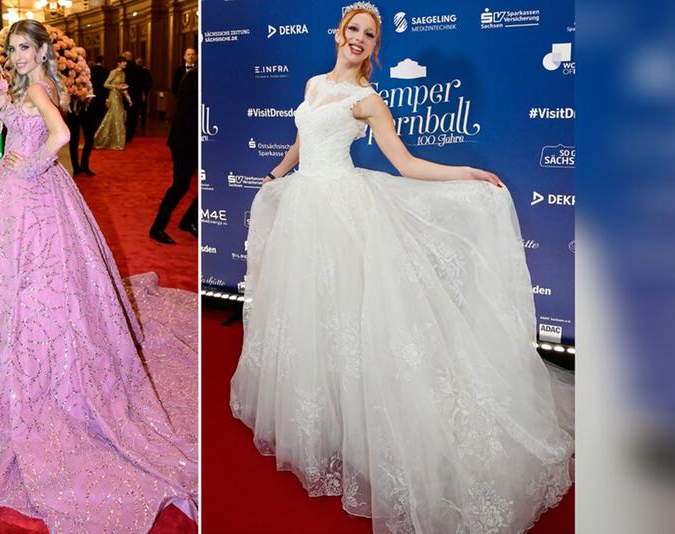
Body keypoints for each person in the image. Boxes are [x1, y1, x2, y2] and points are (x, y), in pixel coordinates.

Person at [229, 4, 574, 533]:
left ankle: (370, 434)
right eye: (354, 30)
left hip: (343, 213)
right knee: (313, 322)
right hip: (304, 209)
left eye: (369, 35)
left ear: (374, 45)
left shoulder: (368, 100)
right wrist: (276, 173)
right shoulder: (314, 82)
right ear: (339, 33)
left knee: (353, 325)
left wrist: (469, 174)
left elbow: (407, 164)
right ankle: (328, 424)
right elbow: (304, 141)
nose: (360, 40)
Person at [0, 20, 197, 533]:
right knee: (31, 283)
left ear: (43, 50)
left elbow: (62, 134)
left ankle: (22, 373)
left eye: (25, 48)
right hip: (34, 191)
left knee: (22, 282)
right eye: (13, 49)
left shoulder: (35, 87)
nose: (18, 56)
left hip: (26, 189)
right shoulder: (41, 82)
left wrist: (25, 167)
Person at [150, 67, 197, 244]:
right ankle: (157, 228)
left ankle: (187, 220)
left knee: (208, 182)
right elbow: (189, 114)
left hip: (192, 141)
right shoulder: (194, 77)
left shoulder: (198, 75)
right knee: (180, 186)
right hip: (184, 143)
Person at [66, 47, 98, 176]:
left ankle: (85, 164)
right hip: (73, 109)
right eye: (79, 55)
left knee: (90, 138)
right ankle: (76, 167)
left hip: (88, 108)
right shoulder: (68, 71)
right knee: (73, 139)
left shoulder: (90, 70)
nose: (81, 58)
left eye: (83, 55)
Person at [94, 56, 131, 150]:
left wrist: (128, 99)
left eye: (125, 62)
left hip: (119, 98)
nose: (125, 63)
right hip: (113, 96)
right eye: (123, 62)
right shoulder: (113, 72)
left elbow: (123, 87)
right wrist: (116, 87)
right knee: (117, 117)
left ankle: (112, 140)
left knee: (119, 117)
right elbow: (105, 84)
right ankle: (117, 142)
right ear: (119, 63)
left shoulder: (123, 74)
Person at [122, 51, 142, 142]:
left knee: (123, 115)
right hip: (136, 95)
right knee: (133, 116)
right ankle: (130, 134)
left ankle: (122, 134)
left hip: (124, 94)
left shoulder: (123, 69)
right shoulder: (138, 68)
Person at [89, 54, 110, 124]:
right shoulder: (106, 71)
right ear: (102, 61)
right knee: (101, 113)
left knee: (93, 113)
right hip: (102, 94)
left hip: (93, 94)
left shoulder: (91, 70)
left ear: (95, 61)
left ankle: (94, 128)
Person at [135, 57, 153, 129]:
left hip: (138, 92)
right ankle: (142, 124)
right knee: (142, 109)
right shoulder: (146, 71)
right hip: (142, 92)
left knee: (137, 109)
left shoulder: (136, 71)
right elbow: (150, 82)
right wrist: (146, 91)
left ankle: (138, 123)